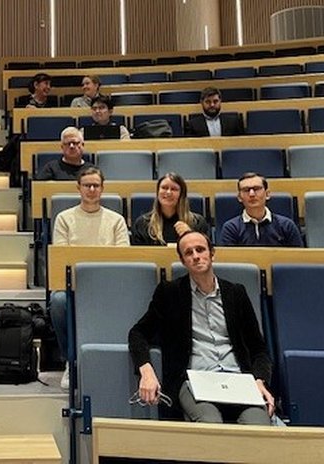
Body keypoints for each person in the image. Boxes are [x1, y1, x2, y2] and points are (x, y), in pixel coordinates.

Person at [128, 231, 274, 424]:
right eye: (189, 253)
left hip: (239, 380)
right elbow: (138, 333)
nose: (196, 256)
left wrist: (260, 381)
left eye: (200, 249)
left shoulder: (236, 293)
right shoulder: (170, 293)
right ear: (182, 261)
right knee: (210, 424)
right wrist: (146, 372)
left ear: (212, 253)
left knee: (259, 426)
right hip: (194, 381)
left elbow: (258, 348)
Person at [50, 166, 130, 389]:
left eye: (96, 185)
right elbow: (62, 258)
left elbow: (123, 258)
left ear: (102, 189)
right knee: (58, 301)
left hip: (108, 285)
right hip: (75, 285)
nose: (92, 189)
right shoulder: (64, 218)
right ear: (78, 188)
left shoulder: (116, 220)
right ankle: (71, 360)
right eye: (87, 185)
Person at [219, 172, 303, 247]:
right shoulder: (230, 228)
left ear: (267, 194)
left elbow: (299, 257)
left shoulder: (287, 226)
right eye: (246, 190)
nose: (251, 194)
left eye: (256, 189)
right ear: (239, 197)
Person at [131, 173, 209, 245]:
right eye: (164, 188)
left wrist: (190, 236)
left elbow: (206, 251)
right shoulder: (142, 224)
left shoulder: (197, 223)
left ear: (181, 195)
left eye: (174, 189)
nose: (168, 192)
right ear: (158, 192)